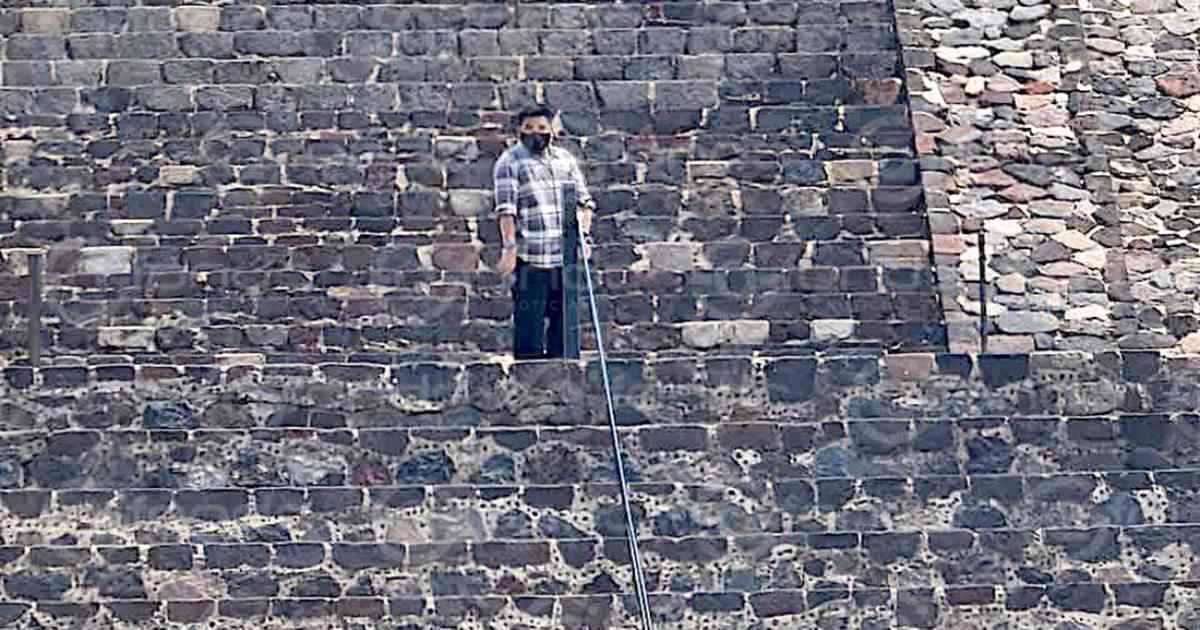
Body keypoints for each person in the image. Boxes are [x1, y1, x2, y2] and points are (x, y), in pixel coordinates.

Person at [492, 106, 595, 360]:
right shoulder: (510, 162)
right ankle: (530, 391)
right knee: (530, 330)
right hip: (532, 258)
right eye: (528, 129)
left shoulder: (565, 160)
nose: (535, 133)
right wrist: (509, 248)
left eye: (541, 128)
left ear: (552, 130)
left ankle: (564, 385)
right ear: (519, 130)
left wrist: (583, 233)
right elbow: (507, 210)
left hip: (564, 258)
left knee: (565, 329)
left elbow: (584, 202)